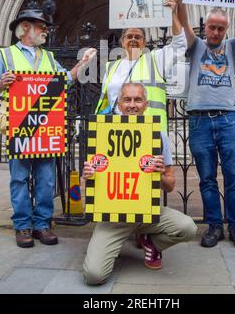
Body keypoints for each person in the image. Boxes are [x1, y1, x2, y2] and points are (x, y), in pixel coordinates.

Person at [0, 5, 95, 249]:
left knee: (46, 179)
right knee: (19, 178)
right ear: (25, 28)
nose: (46, 29)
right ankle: (23, 225)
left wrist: (83, 62)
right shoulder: (5, 55)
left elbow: (66, 79)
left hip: (46, 127)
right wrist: (0, 84)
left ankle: (42, 224)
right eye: (41, 25)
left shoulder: (47, 57)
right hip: (20, 126)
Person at [176, 0, 235, 250]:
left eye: (220, 29)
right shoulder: (196, 46)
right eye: (212, 27)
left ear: (225, 30)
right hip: (199, 120)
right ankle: (214, 226)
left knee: (234, 178)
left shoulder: (232, 47)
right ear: (206, 27)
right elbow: (183, 24)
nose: (215, 32)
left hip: (228, 119)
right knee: (208, 179)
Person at [82, 82, 197, 285]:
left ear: (146, 104)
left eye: (138, 100)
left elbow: (170, 185)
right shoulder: (103, 131)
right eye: (127, 99)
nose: (132, 105)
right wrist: (88, 174)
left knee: (188, 227)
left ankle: (151, 242)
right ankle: (112, 242)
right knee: (93, 276)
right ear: (118, 103)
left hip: (146, 211)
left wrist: (160, 174)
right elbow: (91, 181)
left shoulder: (158, 136)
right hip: (113, 216)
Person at [96, 0, 187, 133]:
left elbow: (180, 44)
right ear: (122, 41)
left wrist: (173, 15)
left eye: (138, 37)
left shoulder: (155, 59)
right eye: (129, 36)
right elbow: (106, 102)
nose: (133, 39)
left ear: (144, 42)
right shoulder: (111, 67)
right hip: (116, 131)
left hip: (149, 130)